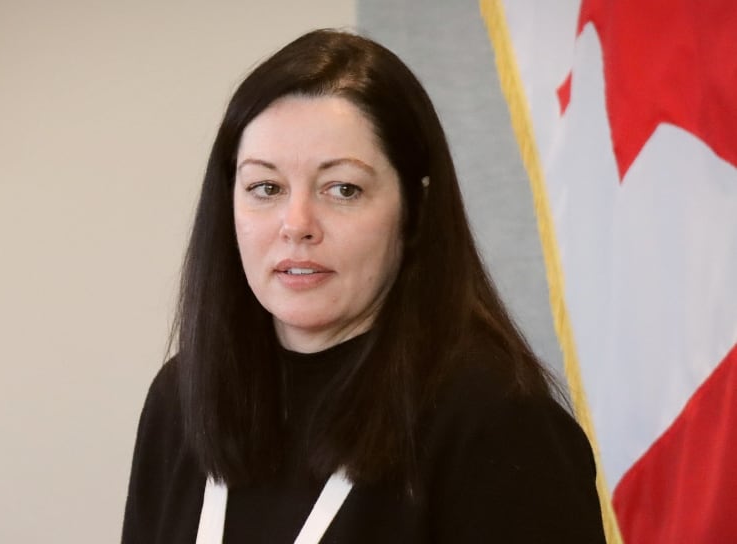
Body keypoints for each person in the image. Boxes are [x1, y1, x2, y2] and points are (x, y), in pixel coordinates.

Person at [121, 29, 606, 543]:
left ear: (414, 209)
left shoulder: (498, 423)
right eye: (265, 187)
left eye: (343, 189)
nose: (297, 223)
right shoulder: (183, 398)